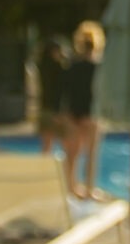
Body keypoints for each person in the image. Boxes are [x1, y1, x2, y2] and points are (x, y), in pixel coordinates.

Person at [61, 21, 103, 200]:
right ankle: (89, 189)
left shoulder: (71, 66)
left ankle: (71, 188)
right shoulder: (99, 68)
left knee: (72, 154)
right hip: (90, 114)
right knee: (91, 154)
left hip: (73, 113)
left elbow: (65, 91)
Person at [31, 36, 71, 158]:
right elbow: (59, 91)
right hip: (56, 110)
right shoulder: (58, 68)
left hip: (44, 108)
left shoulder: (41, 67)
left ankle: (43, 173)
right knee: (66, 146)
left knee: (46, 147)